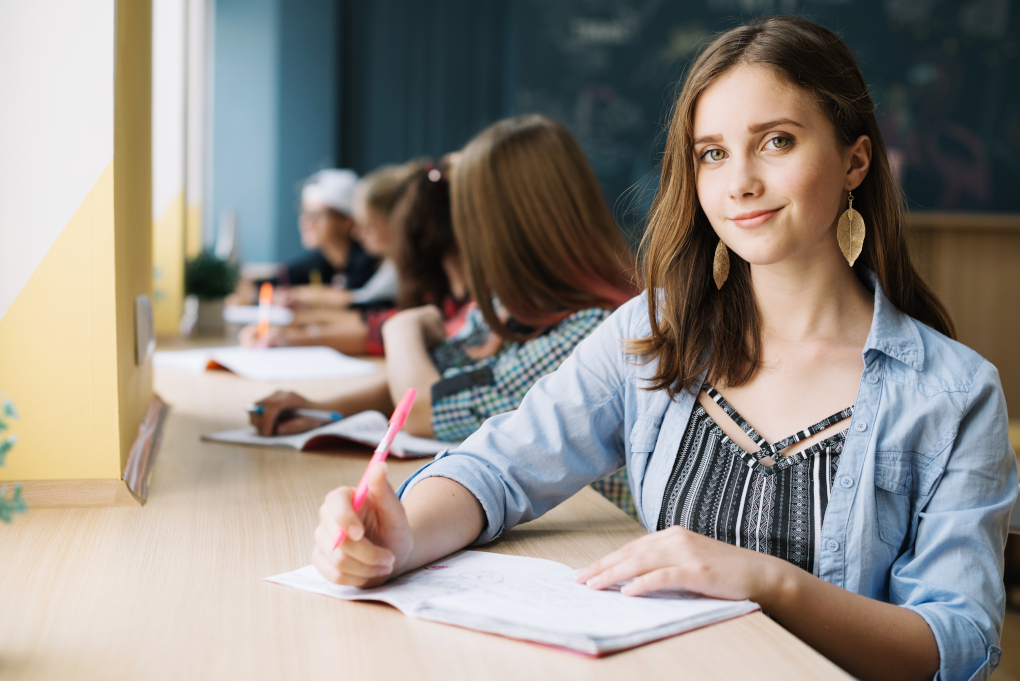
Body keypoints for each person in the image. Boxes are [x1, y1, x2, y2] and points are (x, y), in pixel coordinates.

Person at [309, 17, 1017, 681]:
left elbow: (958, 644)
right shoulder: (650, 333)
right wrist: (400, 535)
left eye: (777, 141)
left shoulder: (955, 393)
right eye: (712, 153)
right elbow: (498, 467)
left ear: (855, 160)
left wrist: (768, 581)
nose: (739, 180)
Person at [251, 115, 639, 456]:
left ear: (510, 226)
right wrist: (321, 409)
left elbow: (424, 412)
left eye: (468, 217)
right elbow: (431, 378)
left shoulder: (591, 330)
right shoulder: (511, 303)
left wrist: (400, 327)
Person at [243, 163, 422, 353]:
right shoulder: (323, 261)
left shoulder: (371, 260)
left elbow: (366, 308)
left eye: (317, 215)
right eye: (305, 213)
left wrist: (299, 330)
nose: (306, 222)